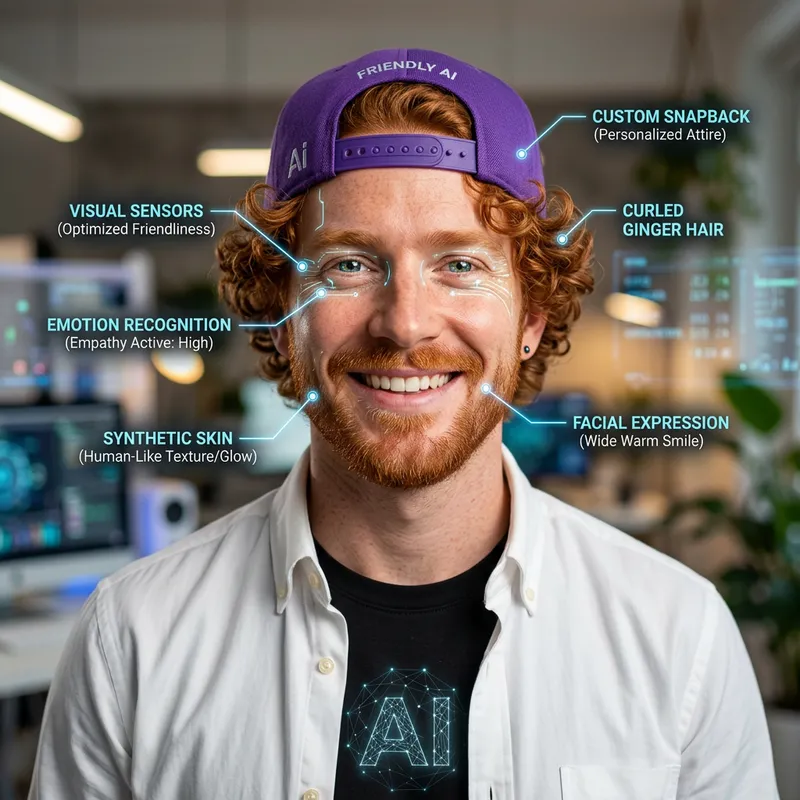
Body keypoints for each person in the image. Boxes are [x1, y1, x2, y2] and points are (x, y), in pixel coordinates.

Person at [30, 49, 777, 800]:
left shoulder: (679, 638)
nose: (406, 324)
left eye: (460, 265)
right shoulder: (129, 639)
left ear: (532, 316)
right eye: (347, 265)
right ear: (280, 315)